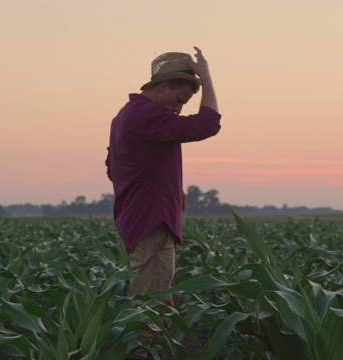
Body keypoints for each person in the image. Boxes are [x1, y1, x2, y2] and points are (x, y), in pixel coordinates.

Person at [105, 46, 220, 357]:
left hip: (146, 218)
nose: (180, 109)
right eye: (180, 100)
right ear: (163, 85)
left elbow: (112, 166)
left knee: (156, 304)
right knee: (150, 310)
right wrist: (207, 78)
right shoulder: (147, 114)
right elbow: (208, 124)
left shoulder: (125, 116)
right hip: (151, 221)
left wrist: (166, 186)